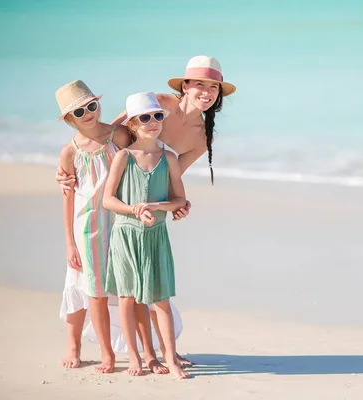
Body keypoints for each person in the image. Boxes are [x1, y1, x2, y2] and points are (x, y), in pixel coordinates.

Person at [55, 55, 236, 366]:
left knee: (145, 281)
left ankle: (161, 352)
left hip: (143, 210)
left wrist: (178, 205)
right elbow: (105, 135)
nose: (207, 92)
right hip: (106, 196)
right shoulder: (158, 102)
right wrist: (69, 171)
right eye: (200, 85)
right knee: (84, 278)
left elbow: (173, 176)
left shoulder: (202, 137)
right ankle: (74, 347)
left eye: (214, 88)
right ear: (186, 86)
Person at [103, 91, 190, 379]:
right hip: (125, 236)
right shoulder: (123, 157)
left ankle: (171, 359)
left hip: (156, 237)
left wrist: (154, 206)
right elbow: (107, 200)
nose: (152, 122)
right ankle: (136, 358)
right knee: (127, 298)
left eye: (157, 116)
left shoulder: (169, 157)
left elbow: (180, 200)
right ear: (131, 124)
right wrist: (133, 210)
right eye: (144, 118)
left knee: (161, 299)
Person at [56, 80, 130, 373]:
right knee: (92, 290)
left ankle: (144, 349)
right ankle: (106, 354)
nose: (88, 113)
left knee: (127, 288)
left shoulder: (120, 136)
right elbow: (68, 198)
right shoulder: (69, 152)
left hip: (122, 222)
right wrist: (69, 242)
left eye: (91, 106)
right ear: (68, 120)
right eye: (79, 111)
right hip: (87, 227)